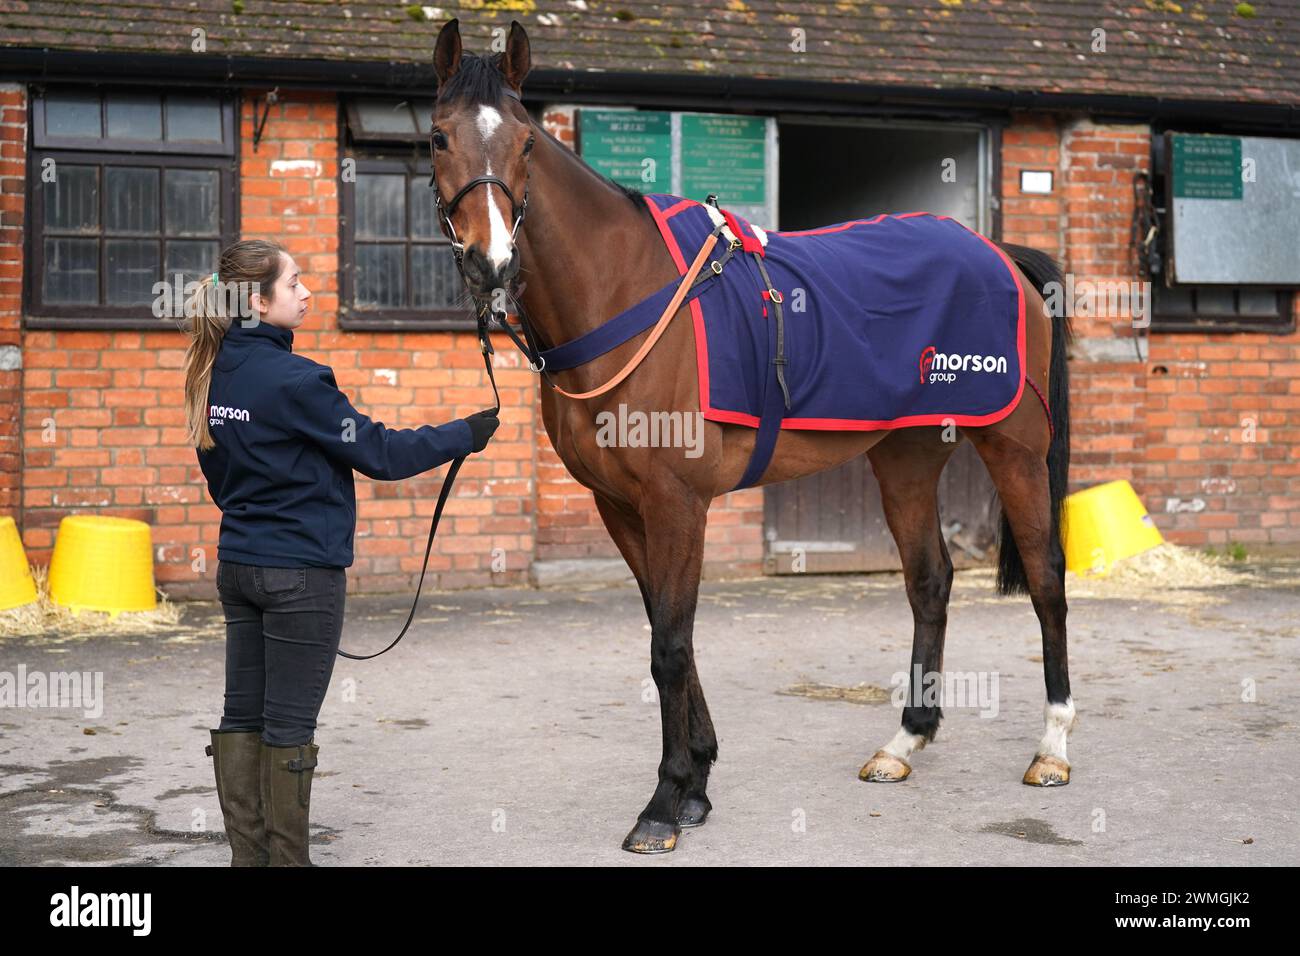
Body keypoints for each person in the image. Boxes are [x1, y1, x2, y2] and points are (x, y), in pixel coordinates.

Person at [183, 238, 498, 866]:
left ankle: (252, 861)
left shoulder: (214, 373)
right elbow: (380, 453)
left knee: (242, 714)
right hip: (300, 574)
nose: (306, 293)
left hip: (239, 569)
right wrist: (463, 433)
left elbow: (218, 476)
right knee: (288, 726)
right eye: (294, 283)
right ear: (256, 299)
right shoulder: (300, 381)